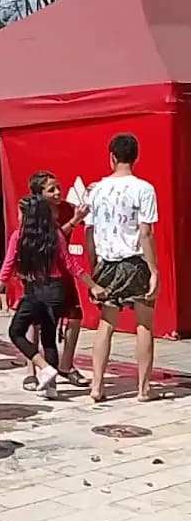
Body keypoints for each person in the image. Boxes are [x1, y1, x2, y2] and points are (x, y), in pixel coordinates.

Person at [0, 194, 104, 397]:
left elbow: (8, 266)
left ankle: (44, 367)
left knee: (16, 332)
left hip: (35, 290)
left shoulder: (19, 236)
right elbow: (71, 265)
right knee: (49, 337)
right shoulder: (55, 235)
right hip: (56, 290)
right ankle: (51, 388)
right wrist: (93, 285)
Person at [85, 133, 159, 403]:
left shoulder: (97, 190)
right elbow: (145, 233)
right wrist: (154, 270)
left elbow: (89, 233)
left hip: (106, 262)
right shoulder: (144, 189)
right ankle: (143, 388)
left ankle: (96, 386)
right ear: (135, 156)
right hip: (134, 261)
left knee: (106, 324)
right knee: (144, 325)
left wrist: (94, 268)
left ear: (112, 157)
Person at [26, 171, 89, 388]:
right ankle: (31, 369)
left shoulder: (65, 208)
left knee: (74, 315)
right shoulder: (31, 211)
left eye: (58, 188)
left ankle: (66, 365)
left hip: (62, 269)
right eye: (51, 189)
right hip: (40, 271)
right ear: (39, 193)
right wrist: (75, 220)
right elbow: (51, 241)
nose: (57, 193)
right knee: (34, 320)